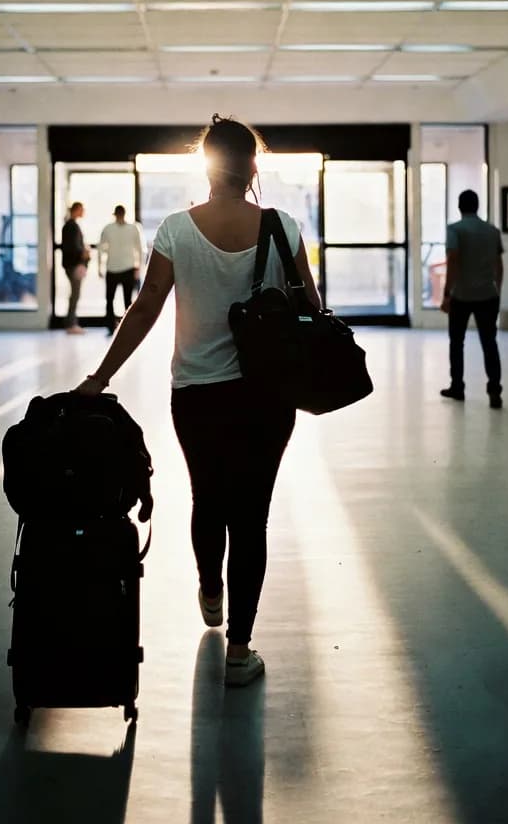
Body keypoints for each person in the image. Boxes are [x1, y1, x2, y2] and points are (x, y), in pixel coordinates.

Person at [77, 114, 321, 688]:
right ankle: (240, 650)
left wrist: (100, 376)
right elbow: (311, 305)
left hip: (196, 394)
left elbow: (145, 309)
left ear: (207, 165)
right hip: (266, 397)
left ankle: (210, 587)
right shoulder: (282, 227)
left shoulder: (176, 230)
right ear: (252, 167)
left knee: (207, 497)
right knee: (253, 515)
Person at [439, 190, 504, 408]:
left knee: (457, 343)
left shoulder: (454, 230)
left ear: (459, 206)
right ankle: (494, 390)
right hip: (488, 295)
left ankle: (457, 387)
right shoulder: (492, 231)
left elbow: (453, 261)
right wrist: (498, 290)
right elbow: (499, 264)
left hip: (462, 295)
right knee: (489, 343)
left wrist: (447, 293)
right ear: (477, 206)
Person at [98, 205, 147, 336]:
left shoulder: (132, 228)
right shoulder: (111, 229)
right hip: (116, 268)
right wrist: (100, 267)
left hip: (126, 268)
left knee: (125, 300)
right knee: (112, 299)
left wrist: (139, 268)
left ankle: (124, 326)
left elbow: (140, 250)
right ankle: (114, 326)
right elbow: (100, 249)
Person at [61, 201, 90, 335]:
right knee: (75, 294)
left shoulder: (71, 225)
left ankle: (71, 323)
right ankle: (71, 324)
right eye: (82, 209)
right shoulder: (71, 226)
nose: (83, 211)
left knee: (75, 294)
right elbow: (72, 247)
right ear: (76, 210)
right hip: (74, 265)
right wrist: (83, 253)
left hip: (72, 264)